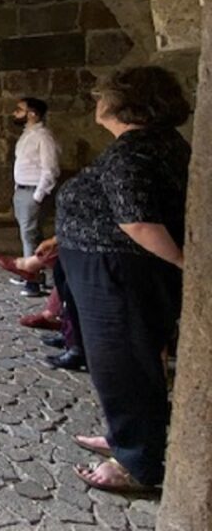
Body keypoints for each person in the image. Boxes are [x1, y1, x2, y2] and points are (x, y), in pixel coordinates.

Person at [52, 66, 190, 494]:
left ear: (125, 104)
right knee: (128, 360)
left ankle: (137, 462)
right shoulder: (153, 144)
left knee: (123, 363)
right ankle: (126, 436)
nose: (97, 102)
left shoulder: (133, 150)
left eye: (103, 95)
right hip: (112, 266)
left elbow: (139, 221)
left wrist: (190, 267)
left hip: (116, 274)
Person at [11, 97, 60, 295]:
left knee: (29, 235)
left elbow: (50, 168)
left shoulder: (43, 136)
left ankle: (32, 281)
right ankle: (39, 275)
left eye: (19, 109)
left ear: (32, 114)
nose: (15, 113)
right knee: (32, 235)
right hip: (22, 190)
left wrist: (38, 195)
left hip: (32, 191)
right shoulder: (27, 135)